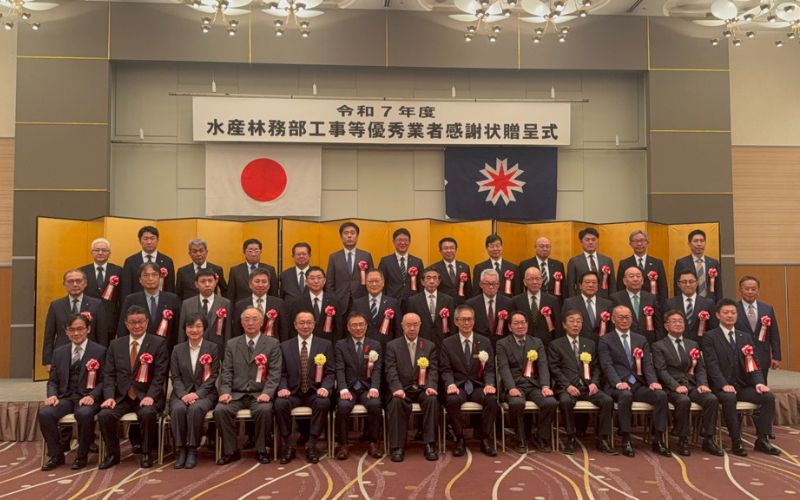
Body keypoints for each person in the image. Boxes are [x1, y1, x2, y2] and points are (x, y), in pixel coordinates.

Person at [702, 298, 780, 456]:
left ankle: (762, 439)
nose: (730, 315)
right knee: (729, 398)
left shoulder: (744, 337)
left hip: (742, 385)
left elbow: (754, 364)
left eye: (733, 312)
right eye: (726, 312)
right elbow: (712, 365)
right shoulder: (710, 336)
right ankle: (736, 440)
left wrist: (759, 383)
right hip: (721, 387)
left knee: (768, 397)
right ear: (718, 315)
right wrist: (723, 384)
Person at [98, 305, 169, 469]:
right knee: (104, 415)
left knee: (147, 414)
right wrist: (109, 397)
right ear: (126, 324)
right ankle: (113, 454)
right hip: (121, 397)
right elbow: (109, 374)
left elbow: (160, 375)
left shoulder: (158, 343)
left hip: (146, 396)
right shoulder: (115, 345)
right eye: (132, 322)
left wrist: (151, 396)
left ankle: (146, 453)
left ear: (147, 322)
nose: (137, 326)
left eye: (140, 322)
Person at [598, 305, 670, 458]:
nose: (624, 320)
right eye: (621, 317)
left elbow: (647, 364)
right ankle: (626, 439)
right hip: (617, 385)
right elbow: (607, 365)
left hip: (638, 384)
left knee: (661, 395)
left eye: (627, 317)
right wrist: (618, 382)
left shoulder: (640, 339)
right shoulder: (605, 340)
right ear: (613, 319)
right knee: (625, 396)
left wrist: (652, 381)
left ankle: (658, 439)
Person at [214, 306, 282, 465]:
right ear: (241, 323)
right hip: (236, 394)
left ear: (261, 322)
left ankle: (261, 449)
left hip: (259, 393)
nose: (250, 323)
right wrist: (225, 391)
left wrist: (267, 393)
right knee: (220, 410)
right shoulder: (232, 344)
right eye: (247, 319)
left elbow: (275, 372)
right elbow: (227, 371)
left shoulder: (272, 344)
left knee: (264, 410)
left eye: (254, 319)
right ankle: (231, 451)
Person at [652, 310, 723, 457]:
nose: (678, 324)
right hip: (671, 388)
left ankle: (708, 439)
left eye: (680, 321)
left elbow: (700, 368)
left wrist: (702, 384)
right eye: (674, 321)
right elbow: (661, 371)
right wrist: (676, 386)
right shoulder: (659, 346)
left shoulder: (692, 344)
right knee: (683, 401)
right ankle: (683, 439)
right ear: (666, 326)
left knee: (711, 399)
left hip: (692, 385)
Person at [39, 313, 106, 471]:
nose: (76, 333)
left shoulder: (100, 351)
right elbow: (53, 381)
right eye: (72, 329)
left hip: (88, 398)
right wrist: (52, 395)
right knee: (45, 413)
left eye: (80, 329)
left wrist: (92, 396)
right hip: (66, 397)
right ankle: (56, 455)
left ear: (88, 329)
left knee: (84, 414)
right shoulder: (59, 352)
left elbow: (106, 381)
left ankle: (82, 456)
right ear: (66, 332)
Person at [547, 309, 616, 455]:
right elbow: (554, 369)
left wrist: (594, 383)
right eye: (572, 321)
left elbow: (597, 367)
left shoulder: (590, 344)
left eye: (579, 321)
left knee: (607, 400)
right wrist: (567, 386)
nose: (575, 324)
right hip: (567, 387)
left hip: (588, 387)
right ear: (564, 325)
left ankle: (602, 439)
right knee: (565, 402)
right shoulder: (555, 344)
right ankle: (570, 438)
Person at [275, 311, 334, 464]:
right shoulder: (284, 346)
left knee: (323, 402)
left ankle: (311, 444)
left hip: (315, 391)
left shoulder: (325, 345)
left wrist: (325, 388)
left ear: (314, 325)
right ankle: (289, 444)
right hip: (293, 392)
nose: (305, 326)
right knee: (280, 404)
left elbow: (330, 372)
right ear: (295, 325)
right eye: (302, 323)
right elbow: (281, 373)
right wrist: (282, 387)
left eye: (309, 322)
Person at [496, 311, 558, 453]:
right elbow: (503, 368)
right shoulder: (502, 344)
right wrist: (511, 387)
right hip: (515, 385)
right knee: (516, 403)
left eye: (523, 323)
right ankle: (520, 439)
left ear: (527, 324)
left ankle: (541, 437)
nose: (520, 326)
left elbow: (543, 366)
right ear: (510, 327)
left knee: (550, 402)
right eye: (516, 323)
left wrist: (545, 386)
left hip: (534, 385)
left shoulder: (536, 342)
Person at [440, 304, 497, 457]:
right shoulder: (447, 343)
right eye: (463, 319)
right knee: (452, 400)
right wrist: (450, 384)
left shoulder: (484, 342)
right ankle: (459, 438)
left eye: (469, 319)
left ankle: (485, 438)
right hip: (458, 386)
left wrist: (489, 384)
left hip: (478, 386)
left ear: (474, 321)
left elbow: (489, 369)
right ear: (456, 321)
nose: (466, 323)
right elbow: (445, 369)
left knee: (491, 399)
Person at [384, 313, 439, 462]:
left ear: (420, 326)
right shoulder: (392, 346)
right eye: (409, 325)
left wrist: (431, 386)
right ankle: (398, 447)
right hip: (402, 388)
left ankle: (430, 444)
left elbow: (433, 370)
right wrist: (396, 388)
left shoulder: (429, 346)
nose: (412, 328)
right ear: (402, 326)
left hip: (422, 388)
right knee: (396, 402)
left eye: (415, 325)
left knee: (432, 400)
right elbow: (390, 370)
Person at [169, 313, 220, 469]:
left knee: (195, 409)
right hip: (181, 393)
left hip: (205, 393)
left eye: (198, 326)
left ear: (204, 328)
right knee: (178, 409)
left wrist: (197, 394)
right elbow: (175, 376)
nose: (194, 330)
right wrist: (184, 394)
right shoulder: (177, 349)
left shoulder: (212, 348)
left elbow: (213, 376)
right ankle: (181, 450)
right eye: (190, 326)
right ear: (185, 329)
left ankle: (192, 449)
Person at [334, 312, 384, 460]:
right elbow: (339, 369)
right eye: (354, 325)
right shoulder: (341, 345)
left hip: (367, 387)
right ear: (348, 328)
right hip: (348, 388)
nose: (358, 328)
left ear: (366, 326)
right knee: (343, 406)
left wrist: (374, 387)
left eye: (361, 325)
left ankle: (373, 443)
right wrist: (343, 388)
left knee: (375, 404)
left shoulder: (375, 345)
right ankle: (343, 444)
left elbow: (377, 369)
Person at [43, 269, 108, 370]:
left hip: (90, 357)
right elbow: (49, 335)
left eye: (78, 281)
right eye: (70, 281)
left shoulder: (96, 304)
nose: (75, 284)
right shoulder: (56, 305)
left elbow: (102, 335)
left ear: (85, 283)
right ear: (64, 285)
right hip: (62, 356)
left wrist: (103, 358)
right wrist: (48, 361)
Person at [117, 262, 181, 352]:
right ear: (140, 279)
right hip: (139, 350)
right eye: (146, 275)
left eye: (154, 275)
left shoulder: (172, 299)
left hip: (166, 350)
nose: (150, 278)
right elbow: (122, 330)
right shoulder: (131, 300)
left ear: (160, 277)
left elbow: (177, 328)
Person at [736, 275, 781, 384]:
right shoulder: (733, 309)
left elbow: (774, 334)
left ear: (758, 291)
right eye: (747, 289)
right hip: (740, 356)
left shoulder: (767, 308)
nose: (750, 292)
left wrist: (776, 356)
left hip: (762, 355)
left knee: (762, 385)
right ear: (740, 290)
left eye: (753, 289)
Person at [178, 268, 232, 353]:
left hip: (218, 351)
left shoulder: (225, 303)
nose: (207, 284)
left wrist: (227, 354)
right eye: (203, 281)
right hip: (193, 350)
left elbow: (228, 332)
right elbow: (182, 332)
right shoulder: (187, 304)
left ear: (215, 282)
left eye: (210, 281)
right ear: (196, 284)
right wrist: (182, 353)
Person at [80, 238, 123, 345]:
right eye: (97, 250)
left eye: (104, 250)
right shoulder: (82, 271)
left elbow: (122, 297)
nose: (100, 253)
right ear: (91, 253)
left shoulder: (119, 271)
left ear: (109, 253)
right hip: (88, 321)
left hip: (111, 322)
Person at [288, 266, 344, 344]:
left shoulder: (334, 301)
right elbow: (293, 329)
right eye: (312, 278)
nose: (316, 281)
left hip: (328, 344)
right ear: (306, 281)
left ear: (324, 281)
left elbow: (339, 328)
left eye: (319, 278)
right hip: (306, 344)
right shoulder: (297, 303)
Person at [233, 267, 289, 341]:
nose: (260, 285)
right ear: (250, 284)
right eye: (257, 281)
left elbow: (284, 331)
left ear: (269, 285)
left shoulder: (279, 303)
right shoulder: (240, 305)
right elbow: (237, 332)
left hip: (272, 346)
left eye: (264, 281)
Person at [119, 225, 175, 300]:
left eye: (152, 238)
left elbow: (170, 288)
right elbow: (126, 288)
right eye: (145, 239)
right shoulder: (130, 261)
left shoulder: (167, 261)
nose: (149, 242)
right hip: (137, 303)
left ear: (157, 240)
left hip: (161, 303)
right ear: (140, 241)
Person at [325, 221, 374, 306]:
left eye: (352, 233)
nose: (349, 236)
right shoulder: (334, 257)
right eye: (346, 233)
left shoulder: (366, 256)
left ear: (357, 236)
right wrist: (333, 300)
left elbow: (371, 279)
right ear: (341, 237)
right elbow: (329, 283)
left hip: (361, 300)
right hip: (340, 302)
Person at [511, 266, 562, 346]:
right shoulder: (516, 301)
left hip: (547, 344)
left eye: (538, 279)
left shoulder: (552, 300)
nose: (535, 282)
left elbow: (558, 326)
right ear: (524, 282)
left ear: (542, 281)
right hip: (523, 344)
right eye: (531, 279)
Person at [610, 267, 663, 343]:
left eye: (638, 276)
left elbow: (658, 324)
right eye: (631, 276)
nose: (635, 279)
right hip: (625, 341)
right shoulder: (615, 298)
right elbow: (612, 325)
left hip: (648, 341)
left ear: (642, 280)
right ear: (624, 281)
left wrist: (658, 343)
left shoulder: (651, 298)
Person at [350, 269, 402, 345]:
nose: (374, 284)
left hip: (387, 347)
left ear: (383, 283)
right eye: (370, 281)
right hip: (364, 347)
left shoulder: (393, 303)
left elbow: (398, 330)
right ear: (366, 283)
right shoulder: (357, 304)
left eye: (377, 281)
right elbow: (352, 328)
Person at [405, 267, 456, 346]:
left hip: (443, 341)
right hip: (421, 341)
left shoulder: (448, 300)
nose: (432, 281)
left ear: (439, 282)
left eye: (435, 278)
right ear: (422, 282)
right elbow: (410, 323)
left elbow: (452, 324)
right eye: (428, 278)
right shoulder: (413, 301)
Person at [616, 230, 667, 306]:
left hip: (652, 304)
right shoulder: (624, 264)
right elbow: (620, 287)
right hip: (631, 304)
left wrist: (661, 307)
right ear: (630, 244)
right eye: (636, 241)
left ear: (647, 243)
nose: (639, 244)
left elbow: (663, 288)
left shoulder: (657, 263)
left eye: (642, 241)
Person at [665, 270, 717, 343]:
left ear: (697, 283)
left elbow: (713, 328)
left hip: (702, 344)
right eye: (684, 282)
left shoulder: (708, 303)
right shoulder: (670, 303)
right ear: (679, 284)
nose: (688, 284)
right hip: (677, 344)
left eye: (691, 281)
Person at [673, 229, 723, 303]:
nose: (699, 244)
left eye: (702, 241)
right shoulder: (681, 263)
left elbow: (718, 287)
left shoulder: (714, 263)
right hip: (690, 303)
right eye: (695, 241)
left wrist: (719, 304)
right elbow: (678, 288)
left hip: (710, 302)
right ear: (689, 244)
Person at [466, 269, 512, 348]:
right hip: (479, 345)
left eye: (494, 283)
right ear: (481, 284)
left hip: (502, 346)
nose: (491, 287)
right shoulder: (470, 304)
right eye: (487, 283)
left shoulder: (508, 303)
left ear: (498, 285)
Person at [562, 271, 613, 342]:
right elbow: (564, 327)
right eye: (587, 282)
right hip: (579, 343)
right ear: (580, 285)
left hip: (602, 344)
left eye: (594, 282)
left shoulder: (608, 304)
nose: (590, 285)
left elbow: (611, 328)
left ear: (598, 286)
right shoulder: (570, 303)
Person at [566, 227, 616, 299]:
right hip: (581, 300)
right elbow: (570, 286)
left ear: (597, 241)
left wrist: (612, 301)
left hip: (604, 300)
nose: (590, 242)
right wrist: (574, 302)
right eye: (587, 240)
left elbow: (612, 285)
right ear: (581, 241)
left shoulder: (607, 260)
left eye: (593, 239)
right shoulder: (574, 261)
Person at [378, 227, 424, 303]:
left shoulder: (417, 262)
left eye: (405, 240)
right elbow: (381, 283)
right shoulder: (385, 261)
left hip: (412, 301)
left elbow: (421, 285)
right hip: (392, 301)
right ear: (393, 242)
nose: (402, 243)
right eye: (399, 240)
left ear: (409, 242)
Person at [227, 238, 278, 305]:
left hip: (264, 307)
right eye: (250, 251)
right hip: (242, 307)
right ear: (244, 252)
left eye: (256, 251)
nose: (253, 254)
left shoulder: (270, 269)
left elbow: (274, 293)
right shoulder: (235, 271)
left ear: (260, 252)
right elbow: (231, 295)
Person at [430, 237, 472, 302]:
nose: (449, 251)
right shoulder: (433, 268)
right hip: (442, 304)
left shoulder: (464, 267)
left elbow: (468, 290)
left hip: (461, 304)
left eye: (452, 248)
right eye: (445, 248)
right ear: (440, 251)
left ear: (456, 250)